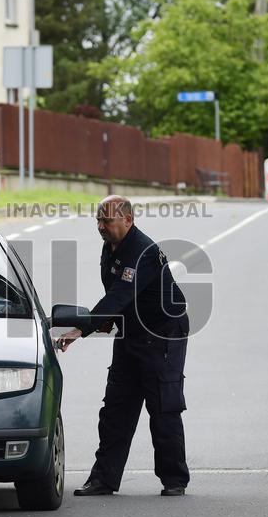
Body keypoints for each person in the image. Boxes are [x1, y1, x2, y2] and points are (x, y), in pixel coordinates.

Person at [57, 195, 190, 497]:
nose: (101, 227)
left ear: (127, 220)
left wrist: (82, 329)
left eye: (107, 221)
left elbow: (118, 296)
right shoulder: (111, 247)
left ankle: (174, 479)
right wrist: (105, 321)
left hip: (162, 333)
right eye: (98, 221)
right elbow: (119, 296)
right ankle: (104, 479)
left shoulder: (143, 251)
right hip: (131, 331)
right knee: (116, 407)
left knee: (163, 406)